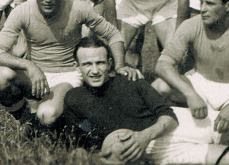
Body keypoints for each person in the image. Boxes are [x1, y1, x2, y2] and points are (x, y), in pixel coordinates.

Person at [0, 0, 139, 130]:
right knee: (1, 75)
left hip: (66, 74)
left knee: (48, 114)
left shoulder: (78, 8)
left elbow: (113, 34)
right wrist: (29, 65)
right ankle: (26, 119)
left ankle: (61, 118)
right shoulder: (23, 11)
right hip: (35, 75)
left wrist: (119, 66)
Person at [64, 35, 229, 165]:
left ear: (109, 63)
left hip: (177, 126)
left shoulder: (130, 80)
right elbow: (77, 143)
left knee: (224, 128)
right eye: (87, 64)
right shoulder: (74, 99)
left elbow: (169, 117)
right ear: (76, 66)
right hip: (154, 150)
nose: (94, 71)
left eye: (100, 63)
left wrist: (143, 137)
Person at [155, 0, 229, 137]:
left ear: (227, 6)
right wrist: (190, 93)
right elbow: (162, 65)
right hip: (200, 83)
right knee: (160, 87)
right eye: (201, 2)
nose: (202, 9)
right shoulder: (192, 24)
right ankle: (153, 135)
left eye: (210, 4)